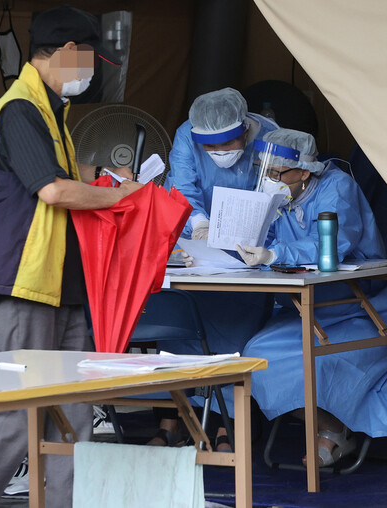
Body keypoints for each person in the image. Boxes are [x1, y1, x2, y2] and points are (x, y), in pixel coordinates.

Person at [0, 7, 141, 508]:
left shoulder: (52, 113)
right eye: (91, 60)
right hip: (23, 283)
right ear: (70, 53)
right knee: (20, 415)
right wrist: (122, 197)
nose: (92, 73)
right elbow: (51, 190)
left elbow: (65, 176)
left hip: (62, 285)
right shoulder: (21, 109)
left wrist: (101, 177)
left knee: (74, 411)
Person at [235, 128, 387, 466]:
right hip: (311, 309)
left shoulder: (338, 188)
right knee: (256, 357)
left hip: (365, 308)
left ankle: (336, 432)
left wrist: (274, 255)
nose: (269, 180)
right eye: (264, 171)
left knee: (322, 361)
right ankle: (333, 428)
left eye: (277, 173)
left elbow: (332, 247)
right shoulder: (282, 195)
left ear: (305, 171)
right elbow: (267, 236)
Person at [151, 88, 278, 450]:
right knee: (180, 329)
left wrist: (255, 241)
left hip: (247, 253)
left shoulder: (269, 137)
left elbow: (274, 192)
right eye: (210, 148)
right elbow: (182, 186)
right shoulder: (186, 134)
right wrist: (201, 225)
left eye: (227, 145)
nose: (219, 155)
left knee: (236, 340)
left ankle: (227, 424)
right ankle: (171, 421)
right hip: (200, 247)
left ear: (245, 131)